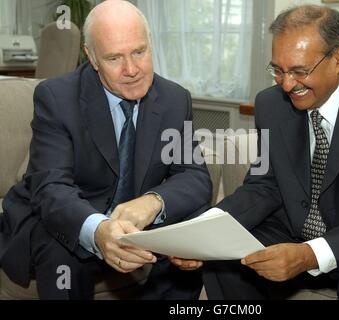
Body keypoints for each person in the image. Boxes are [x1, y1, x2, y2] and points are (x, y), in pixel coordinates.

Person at [171, 5, 339, 299]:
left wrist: (310, 254)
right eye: (278, 70)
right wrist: (205, 232)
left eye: (299, 71)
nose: (287, 84)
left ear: (338, 58)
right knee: (224, 261)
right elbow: (265, 183)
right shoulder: (271, 104)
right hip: (297, 227)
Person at [0, 0, 211, 299]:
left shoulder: (175, 99)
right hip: (73, 215)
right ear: (92, 57)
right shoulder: (57, 98)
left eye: (139, 52)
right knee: (61, 243)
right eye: (114, 58)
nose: (132, 70)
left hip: (136, 220)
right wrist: (98, 230)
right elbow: (51, 187)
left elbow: (194, 175)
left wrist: (151, 202)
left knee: (193, 219)